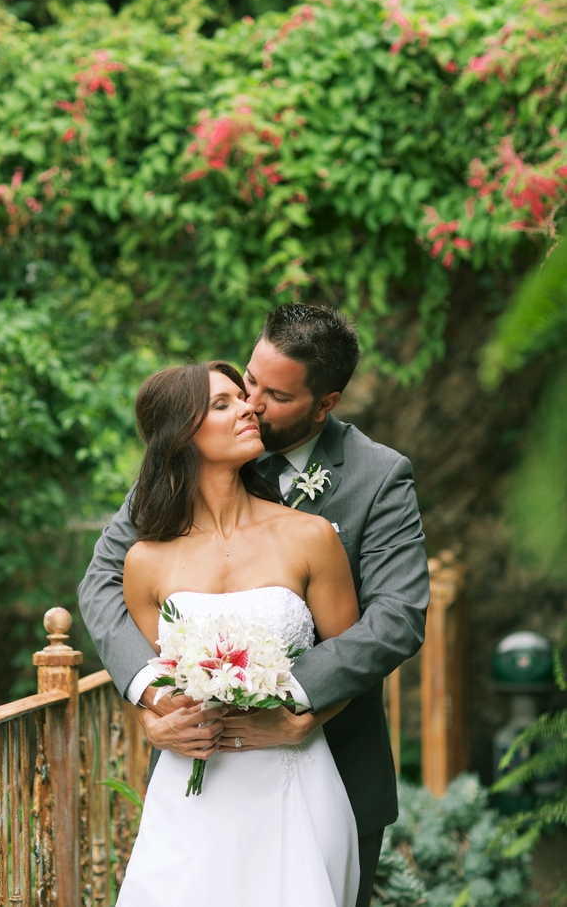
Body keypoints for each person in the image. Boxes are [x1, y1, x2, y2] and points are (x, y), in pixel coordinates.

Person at [79, 303, 429, 907]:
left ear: (326, 403)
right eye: (248, 381)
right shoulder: (198, 448)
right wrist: (153, 699)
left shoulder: (377, 477)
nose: (253, 404)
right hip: (207, 776)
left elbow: (396, 617)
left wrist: (292, 701)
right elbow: (102, 583)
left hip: (331, 763)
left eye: (277, 395)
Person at [116, 360, 361, 906]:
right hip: (191, 794)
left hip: (295, 782)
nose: (249, 408)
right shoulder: (145, 561)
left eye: (242, 398)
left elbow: (352, 661)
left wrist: (301, 722)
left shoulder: (310, 537)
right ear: (182, 436)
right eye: (223, 404)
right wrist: (151, 723)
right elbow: (155, 677)